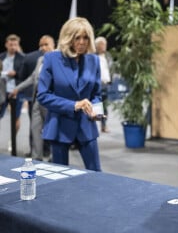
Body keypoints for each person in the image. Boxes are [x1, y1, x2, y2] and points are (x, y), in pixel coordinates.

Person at [37, 17, 102, 171]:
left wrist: (96, 111)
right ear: (68, 38)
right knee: (60, 178)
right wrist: (74, 105)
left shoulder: (94, 60)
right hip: (59, 126)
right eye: (77, 37)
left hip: (86, 126)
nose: (82, 42)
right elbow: (43, 95)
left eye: (85, 37)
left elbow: (97, 94)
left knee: (97, 175)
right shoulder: (52, 58)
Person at [10, 35, 55, 160]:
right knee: (35, 130)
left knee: (51, 130)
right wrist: (17, 88)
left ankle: (54, 157)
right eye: (41, 45)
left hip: (51, 102)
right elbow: (32, 77)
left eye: (46, 44)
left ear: (53, 45)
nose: (43, 47)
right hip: (37, 100)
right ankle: (37, 158)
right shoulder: (40, 60)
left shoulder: (58, 59)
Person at [0, 34, 25, 150]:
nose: (13, 47)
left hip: (16, 91)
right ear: (6, 45)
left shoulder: (23, 58)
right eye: (11, 44)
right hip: (2, 91)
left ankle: (12, 140)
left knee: (16, 117)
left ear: (18, 45)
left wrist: (16, 73)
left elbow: (26, 75)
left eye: (15, 44)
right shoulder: (1, 57)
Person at [95, 36, 113, 133]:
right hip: (97, 85)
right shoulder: (93, 56)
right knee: (97, 106)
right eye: (102, 44)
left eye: (105, 44)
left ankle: (103, 125)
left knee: (105, 107)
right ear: (97, 46)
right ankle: (97, 125)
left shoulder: (108, 56)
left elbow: (111, 69)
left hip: (107, 84)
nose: (104, 46)